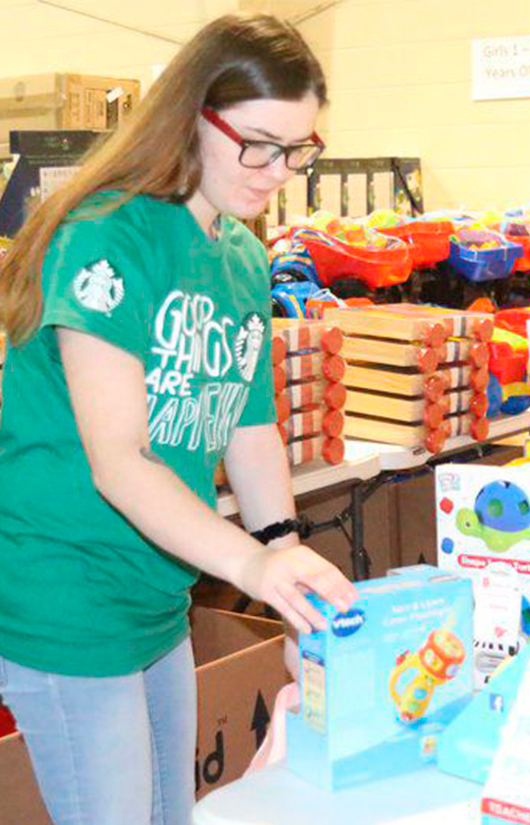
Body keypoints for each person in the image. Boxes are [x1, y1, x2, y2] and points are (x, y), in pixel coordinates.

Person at [0, 13, 359, 824]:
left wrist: (286, 558)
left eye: (298, 150)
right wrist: (252, 570)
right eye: (258, 143)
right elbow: (119, 459)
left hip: (155, 595)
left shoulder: (239, 252)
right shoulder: (107, 236)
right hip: (64, 594)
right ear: (195, 113)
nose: (277, 171)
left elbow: (249, 426)